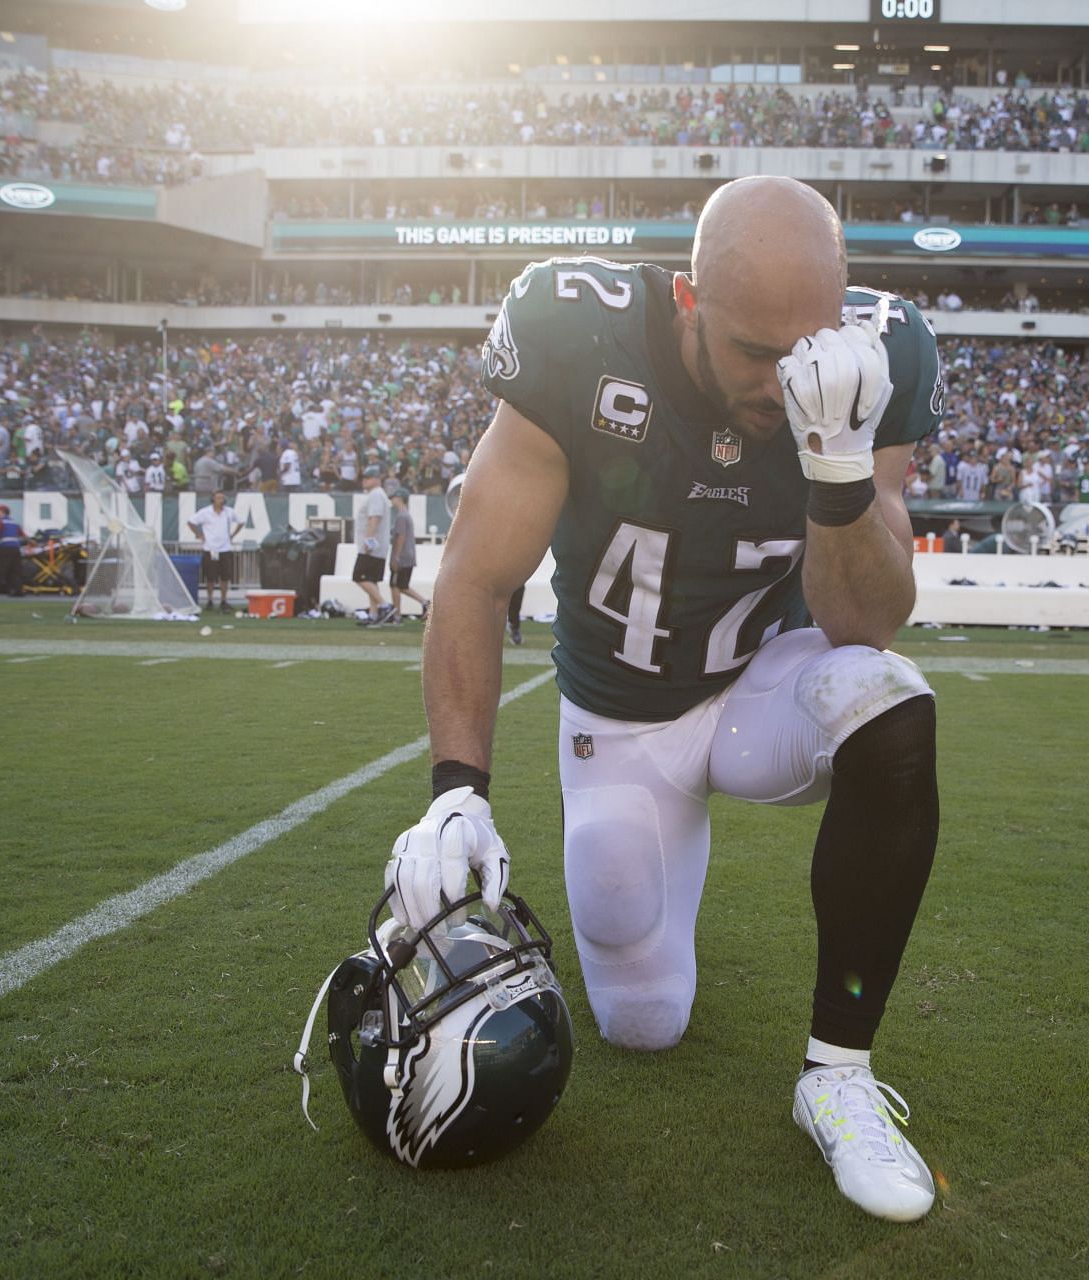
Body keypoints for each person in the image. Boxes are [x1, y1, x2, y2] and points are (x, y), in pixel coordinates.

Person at [387, 176, 943, 1222]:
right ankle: (654, 882)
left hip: (762, 689)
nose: (785, 382)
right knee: (645, 1021)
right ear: (689, 300)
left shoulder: (880, 354)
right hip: (623, 715)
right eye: (754, 353)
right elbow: (472, 576)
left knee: (891, 699)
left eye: (805, 349)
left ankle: (839, 1072)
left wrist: (837, 468)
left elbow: (866, 619)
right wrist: (456, 788)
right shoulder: (578, 336)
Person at [187, 490, 247, 613]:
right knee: (210, 576)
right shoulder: (205, 512)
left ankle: (223, 600)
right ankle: (210, 600)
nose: (221, 500)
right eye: (218, 498)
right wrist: (200, 535)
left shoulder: (229, 512)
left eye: (222, 498)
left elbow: (241, 521)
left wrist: (233, 535)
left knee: (225, 576)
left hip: (225, 548)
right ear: (213, 499)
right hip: (211, 548)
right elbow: (191, 522)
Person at [352, 471, 395, 625]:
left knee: (359, 576)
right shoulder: (378, 495)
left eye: (368, 477)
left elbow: (374, 519)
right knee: (371, 580)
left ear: (377, 479)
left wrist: (368, 543)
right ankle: (374, 614)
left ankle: (384, 606)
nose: (364, 480)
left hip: (372, 546)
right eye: (363, 477)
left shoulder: (376, 495)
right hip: (379, 546)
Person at [386, 489, 429, 621]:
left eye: (393, 498)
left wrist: (395, 557)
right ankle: (425, 603)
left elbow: (401, 537)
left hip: (402, 556)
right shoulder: (406, 515)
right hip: (408, 555)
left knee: (395, 585)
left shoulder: (402, 516)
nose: (392, 500)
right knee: (402, 586)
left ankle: (397, 615)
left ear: (399, 498)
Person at [0, 502, 25, 597]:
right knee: (15, 571)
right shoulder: (14, 523)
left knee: (0, 570)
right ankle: (17, 591)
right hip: (15, 549)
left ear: (2, 512)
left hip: (4, 549)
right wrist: (33, 543)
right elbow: (23, 535)